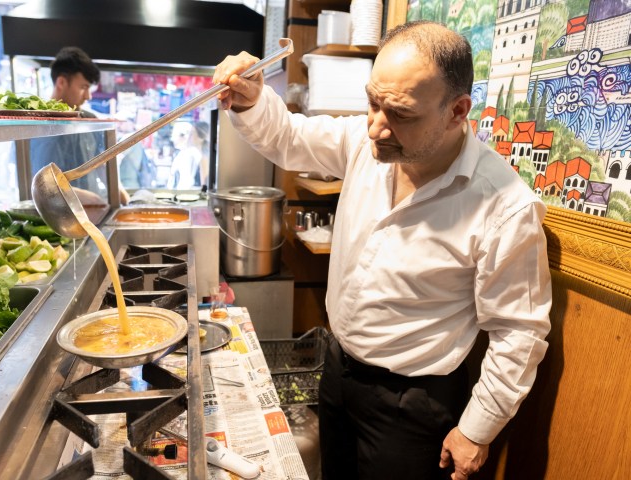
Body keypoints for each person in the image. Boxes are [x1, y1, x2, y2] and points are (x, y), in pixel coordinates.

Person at [213, 21, 552, 480]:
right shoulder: (365, 142)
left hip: (411, 403)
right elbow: (290, 138)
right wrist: (253, 99)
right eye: (372, 101)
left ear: (457, 111)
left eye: (401, 114)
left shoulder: (505, 206)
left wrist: (477, 429)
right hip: (339, 369)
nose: (375, 127)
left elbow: (519, 333)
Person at [29, 47, 129, 204]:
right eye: (83, 87)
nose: (88, 96)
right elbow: (44, 186)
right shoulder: (39, 125)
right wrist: (94, 200)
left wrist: (123, 198)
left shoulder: (89, 120)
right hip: (57, 215)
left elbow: (101, 166)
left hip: (92, 211)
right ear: (61, 82)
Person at [166, 121, 203, 189]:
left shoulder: (189, 154)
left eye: (175, 135)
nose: (173, 139)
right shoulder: (183, 153)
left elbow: (186, 182)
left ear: (184, 136)